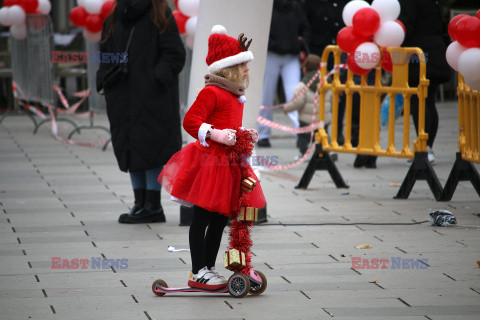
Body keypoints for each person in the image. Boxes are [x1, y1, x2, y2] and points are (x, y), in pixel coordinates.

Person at [158, 25, 267, 289]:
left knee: (219, 220)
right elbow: (191, 121)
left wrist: (244, 134)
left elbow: (229, 125)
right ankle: (197, 271)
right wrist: (216, 135)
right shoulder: (211, 92)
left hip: (228, 164)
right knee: (202, 218)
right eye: (242, 64)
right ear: (229, 67)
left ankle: (209, 268)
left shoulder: (234, 96)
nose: (246, 69)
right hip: (209, 164)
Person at [96, 0, 186, 223]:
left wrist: (155, 78)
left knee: (151, 147)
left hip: (153, 97)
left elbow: (174, 54)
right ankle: (140, 203)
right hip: (122, 95)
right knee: (130, 147)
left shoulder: (159, 13)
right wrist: (108, 77)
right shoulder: (115, 15)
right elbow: (106, 52)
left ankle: (153, 205)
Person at [398, 0, 451, 164]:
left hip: (417, 53)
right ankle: (428, 148)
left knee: (418, 100)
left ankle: (423, 148)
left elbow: (407, 24)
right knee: (429, 100)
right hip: (435, 50)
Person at [257, 0, 309, 147]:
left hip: (291, 56)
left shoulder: (296, 7)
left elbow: (305, 28)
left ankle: (300, 134)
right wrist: (274, 44)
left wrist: (299, 43)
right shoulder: (268, 8)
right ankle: (263, 134)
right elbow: (261, 29)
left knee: (293, 94)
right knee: (267, 95)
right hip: (271, 55)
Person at [283, 54, 332, 158]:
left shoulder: (303, 85)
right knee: (323, 136)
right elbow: (332, 99)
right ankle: (326, 152)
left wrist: (287, 108)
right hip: (323, 119)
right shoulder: (328, 82)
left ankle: (303, 154)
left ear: (305, 69)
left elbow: (298, 102)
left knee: (303, 138)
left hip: (306, 120)